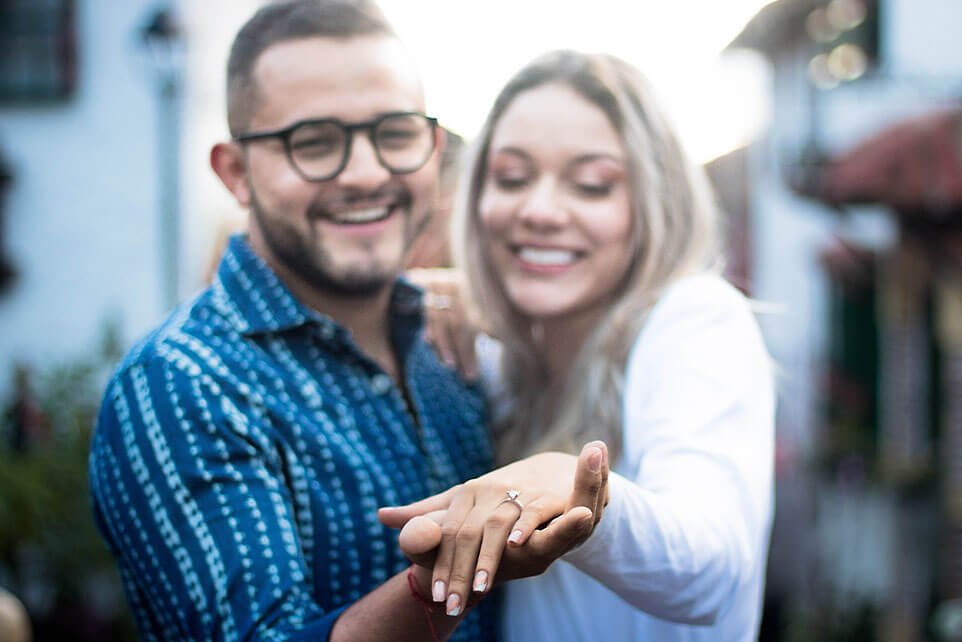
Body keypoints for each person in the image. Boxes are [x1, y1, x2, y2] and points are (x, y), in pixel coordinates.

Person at [87, 4, 608, 641]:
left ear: (433, 149)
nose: (366, 173)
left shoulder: (447, 346)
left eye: (394, 134)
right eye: (313, 142)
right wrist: (441, 583)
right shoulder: (181, 383)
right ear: (235, 173)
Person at [381, 50, 775, 641]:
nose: (539, 211)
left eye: (592, 186)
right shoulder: (504, 358)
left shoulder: (696, 318)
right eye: (511, 178)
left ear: (653, 204)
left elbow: (713, 567)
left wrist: (578, 491)